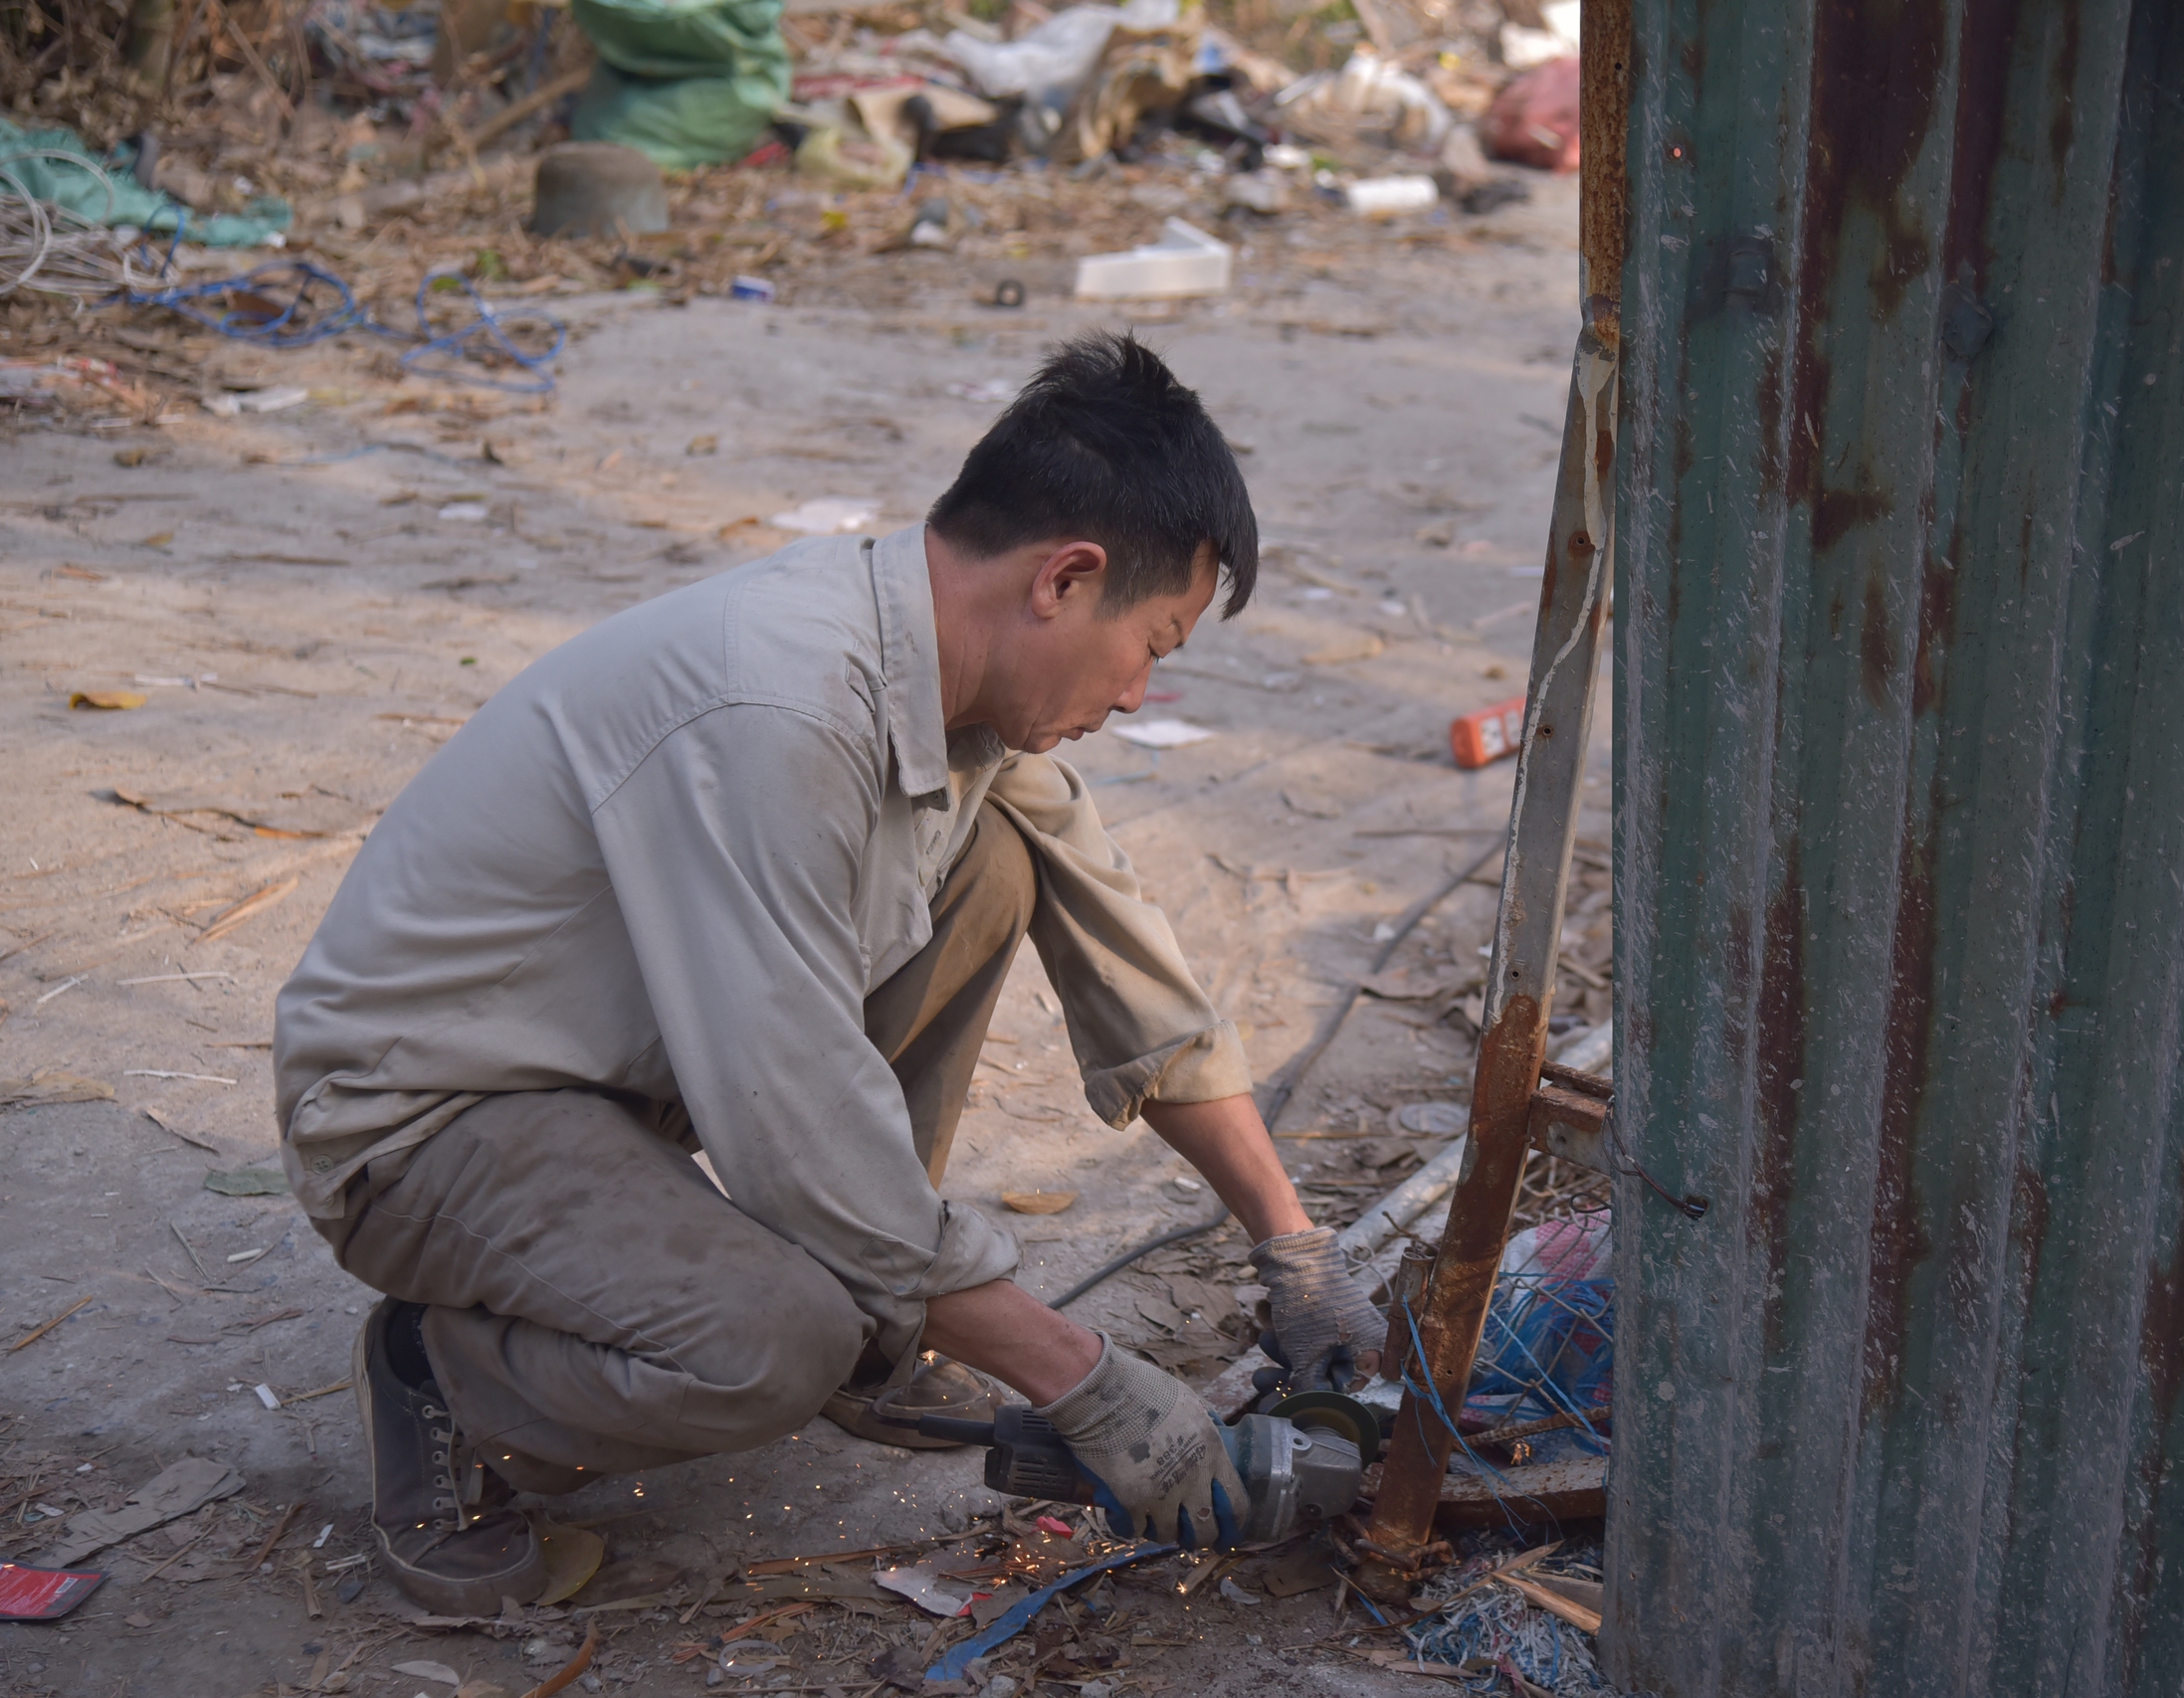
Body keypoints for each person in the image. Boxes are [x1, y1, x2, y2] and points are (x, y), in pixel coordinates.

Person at [271, 332, 1387, 1614]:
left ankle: (887, 1307)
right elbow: (796, 1131)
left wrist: (1294, 1251)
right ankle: (442, 1374)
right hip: (430, 1114)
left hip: (624, 1076)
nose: (1139, 692)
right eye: (1156, 644)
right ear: (1066, 580)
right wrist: (1084, 1378)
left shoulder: (949, 682)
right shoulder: (781, 707)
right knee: (772, 1342)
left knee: (999, 867)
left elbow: (1134, 967)